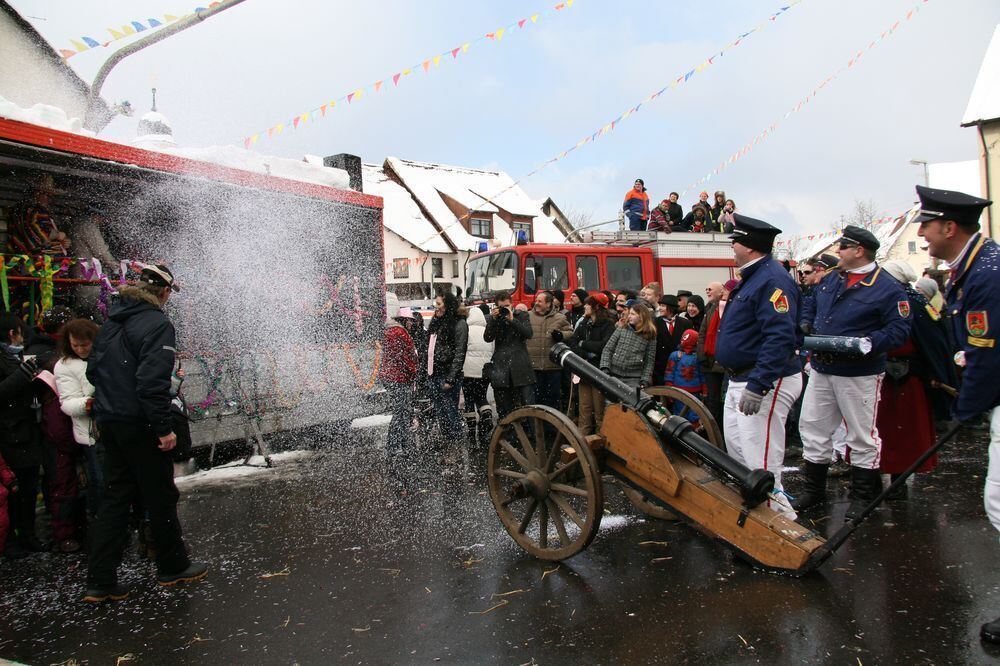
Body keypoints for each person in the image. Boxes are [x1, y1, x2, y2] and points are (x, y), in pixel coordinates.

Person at [85, 264, 207, 602]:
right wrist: (163, 427)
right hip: (140, 422)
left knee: (115, 497)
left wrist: (111, 401)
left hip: (110, 421)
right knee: (160, 495)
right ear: (164, 292)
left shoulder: (111, 322)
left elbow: (94, 370)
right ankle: (172, 565)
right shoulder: (157, 323)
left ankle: (100, 580)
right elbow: (152, 382)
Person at [911, 185, 998, 644]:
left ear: (949, 226)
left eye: (927, 224)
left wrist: (966, 410)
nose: (922, 233)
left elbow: (986, 355)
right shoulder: (975, 266)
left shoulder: (985, 273)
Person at [794, 226, 912, 520]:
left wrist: (868, 343)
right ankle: (814, 491)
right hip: (823, 367)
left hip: (859, 373)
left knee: (861, 435)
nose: (838, 252)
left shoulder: (887, 287)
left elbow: (899, 330)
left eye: (843, 247)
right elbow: (810, 300)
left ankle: (862, 498)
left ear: (859, 250)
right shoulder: (833, 278)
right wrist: (807, 322)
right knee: (813, 426)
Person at [714, 214, 804, 519]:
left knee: (761, 464)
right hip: (741, 379)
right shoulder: (755, 277)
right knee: (740, 457)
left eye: (735, 241)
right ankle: (760, 523)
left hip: (763, 380)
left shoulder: (772, 280)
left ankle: (783, 529)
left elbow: (780, 337)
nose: (733, 247)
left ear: (750, 247)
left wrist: (759, 384)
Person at [876, 260, 957, 499]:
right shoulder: (891, 298)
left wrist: (931, 373)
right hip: (885, 375)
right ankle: (880, 477)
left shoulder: (913, 302)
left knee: (905, 432)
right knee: (884, 431)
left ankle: (898, 482)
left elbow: (933, 342)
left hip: (907, 377)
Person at [0, 313, 45, 558]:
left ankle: (28, 534)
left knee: (28, 487)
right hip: (9, 432)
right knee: (14, 491)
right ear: (12, 333)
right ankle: (11, 540)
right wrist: (23, 374)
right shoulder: (7, 360)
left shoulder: (20, 355)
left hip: (27, 429)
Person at [484, 291, 536, 420]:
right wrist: (493, 320)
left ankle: (530, 436)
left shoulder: (522, 315)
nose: (504, 309)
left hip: (521, 367)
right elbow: (487, 338)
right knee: (504, 409)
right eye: (501, 307)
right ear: (496, 307)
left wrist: (512, 320)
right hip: (501, 369)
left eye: (507, 306)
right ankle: (508, 437)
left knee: (527, 407)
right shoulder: (494, 319)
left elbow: (528, 334)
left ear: (512, 304)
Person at [426, 292, 469, 445]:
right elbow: (428, 343)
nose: (435, 308)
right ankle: (447, 443)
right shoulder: (439, 321)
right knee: (441, 414)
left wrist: (451, 377)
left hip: (448, 375)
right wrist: (435, 319)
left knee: (451, 413)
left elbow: (459, 353)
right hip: (434, 373)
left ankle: (456, 446)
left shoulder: (459, 324)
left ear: (448, 305)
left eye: (438, 304)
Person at [571, 294, 616, 435]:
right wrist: (583, 352)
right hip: (584, 370)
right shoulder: (584, 322)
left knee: (599, 411)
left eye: (588, 304)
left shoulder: (608, 324)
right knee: (584, 409)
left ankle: (601, 440)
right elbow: (573, 342)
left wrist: (583, 344)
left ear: (596, 307)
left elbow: (603, 346)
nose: (585, 306)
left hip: (599, 372)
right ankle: (581, 442)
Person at [380, 294, 417, 456]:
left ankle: (401, 444)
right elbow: (405, 357)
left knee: (401, 411)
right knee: (401, 411)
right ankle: (395, 445)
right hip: (399, 377)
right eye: (409, 319)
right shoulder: (399, 332)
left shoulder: (387, 331)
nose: (411, 322)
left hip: (392, 376)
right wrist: (413, 372)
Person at [526, 291, 573, 412]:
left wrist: (561, 335)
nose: (536, 303)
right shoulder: (527, 316)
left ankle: (550, 429)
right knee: (536, 401)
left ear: (548, 304)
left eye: (540, 301)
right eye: (536, 300)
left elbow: (571, 333)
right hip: (534, 367)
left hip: (552, 368)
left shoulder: (560, 318)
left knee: (552, 401)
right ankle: (536, 429)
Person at [600, 302, 657, 390]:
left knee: (631, 402)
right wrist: (605, 368)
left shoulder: (650, 335)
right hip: (614, 374)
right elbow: (608, 349)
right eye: (629, 313)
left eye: (633, 314)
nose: (629, 316)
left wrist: (645, 380)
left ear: (641, 316)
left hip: (634, 378)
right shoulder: (622, 329)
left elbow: (649, 360)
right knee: (612, 403)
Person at [462, 303, 495, 447]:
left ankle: (471, 433)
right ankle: (486, 416)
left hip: (468, 372)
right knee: (481, 397)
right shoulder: (488, 331)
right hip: (484, 372)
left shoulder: (467, 331)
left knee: (469, 400)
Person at [697, 282, 727, 432]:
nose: (707, 291)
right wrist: (702, 355)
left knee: (724, 401)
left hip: (723, 362)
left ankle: (722, 432)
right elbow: (702, 334)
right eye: (706, 288)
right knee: (713, 400)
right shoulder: (710, 309)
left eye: (710, 289)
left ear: (721, 291)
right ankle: (715, 432)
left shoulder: (726, 308)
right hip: (709, 362)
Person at [664, 329, 707, 426]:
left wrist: (704, 389)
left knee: (694, 416)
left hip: (694, 392)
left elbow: (702, 374)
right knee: (679, 415)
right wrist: (669, 388)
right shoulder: (675, 355)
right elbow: (669, 373)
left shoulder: (698, 357)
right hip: (678, 392)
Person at [653, 294, 694, 386]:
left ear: (671, 308)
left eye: (663, 306)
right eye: (660, 305)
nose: (660, 308)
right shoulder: (654, 323)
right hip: (660, 370)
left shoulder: (686, 323)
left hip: (680, 370)